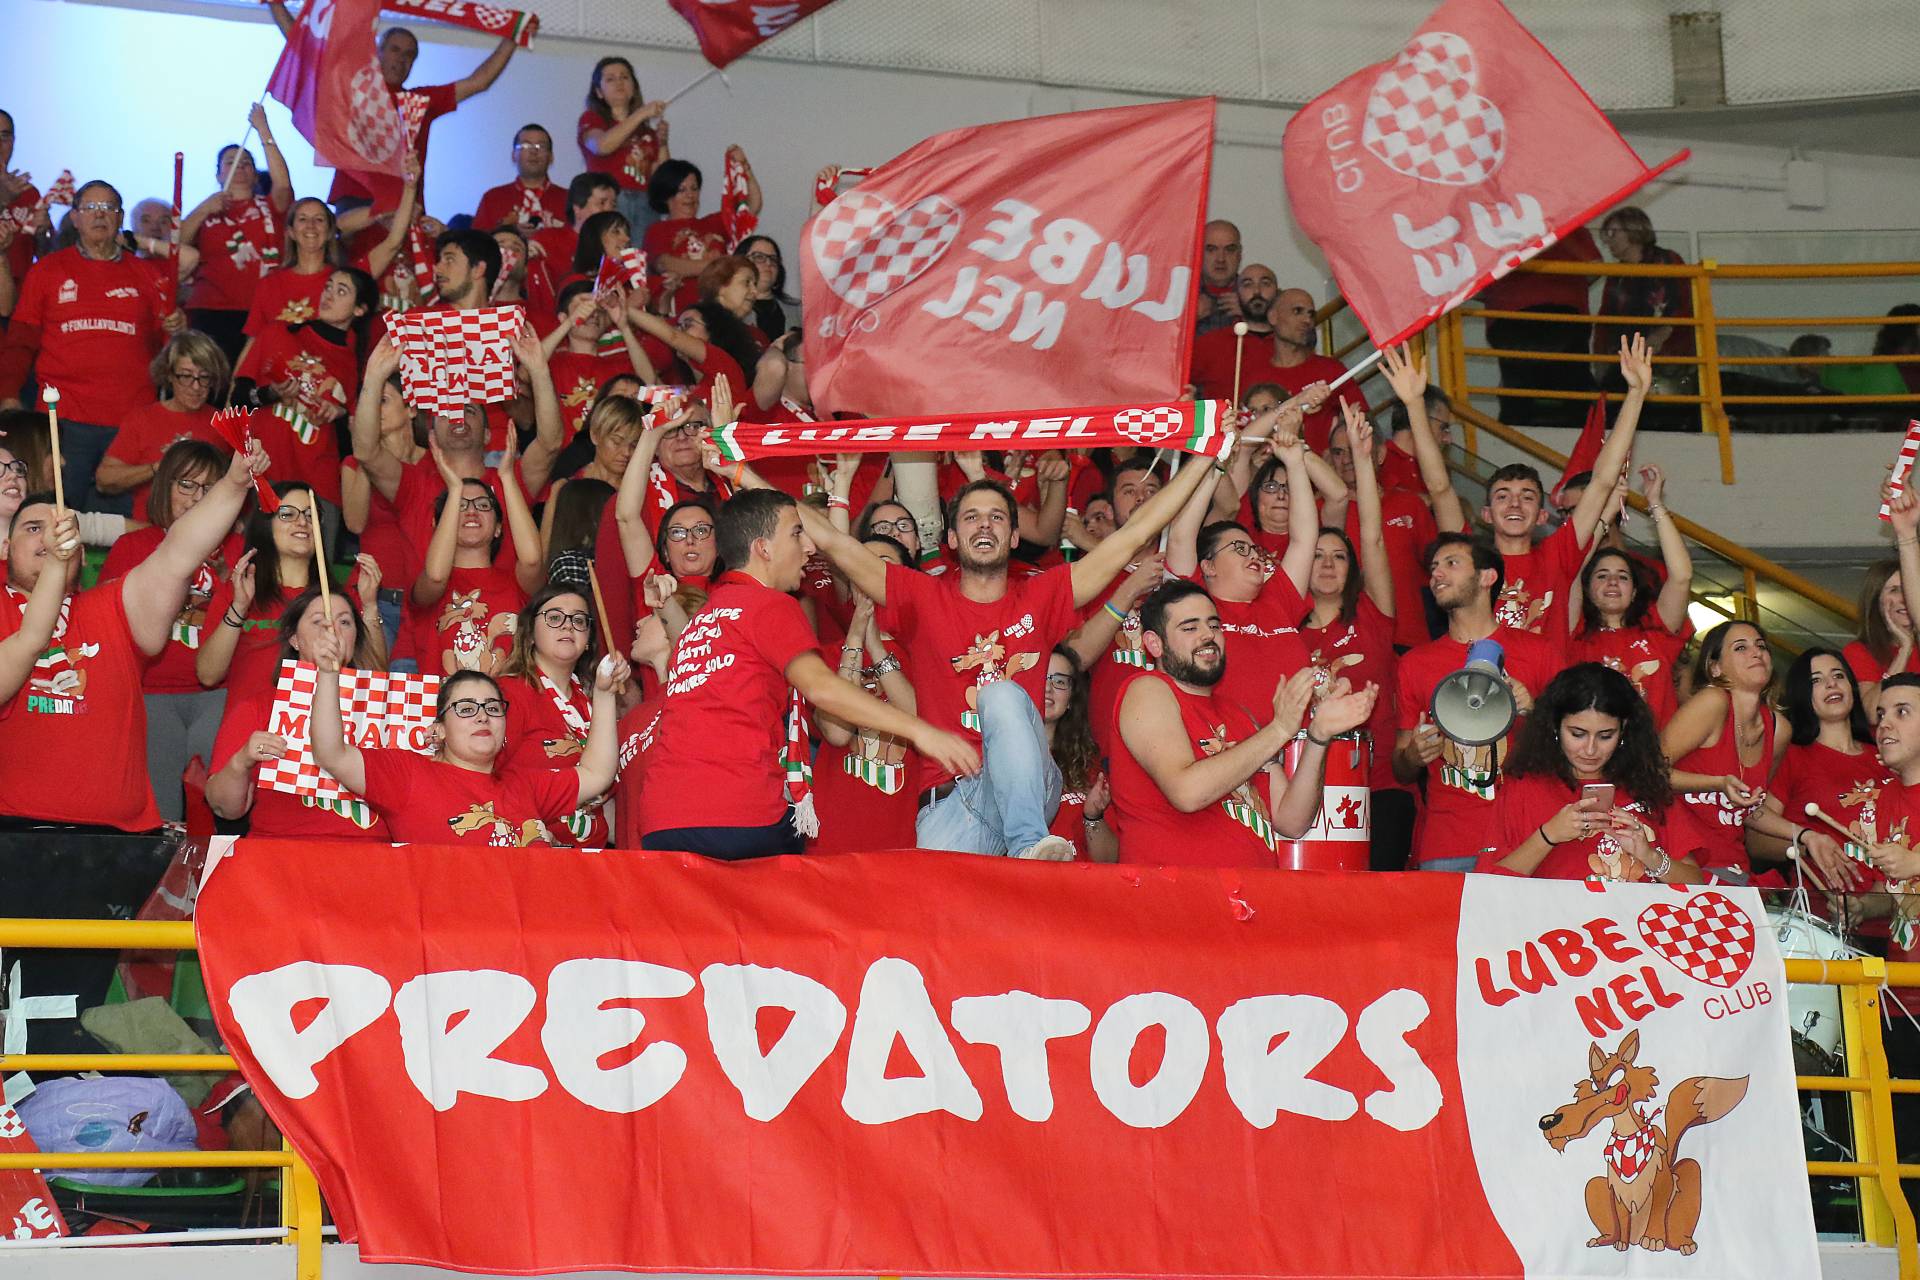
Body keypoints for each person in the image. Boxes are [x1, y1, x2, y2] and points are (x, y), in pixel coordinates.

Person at [747, 394, 1217, 860]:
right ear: (952, 538)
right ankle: (1026, 850)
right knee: (940, 911)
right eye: (971, 518)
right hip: (950, 803)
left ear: (1014, 536)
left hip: (1029, 791)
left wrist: (1204, 455)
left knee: (1000, 694)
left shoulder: (1044, 593)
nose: (985, 525)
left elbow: (1133, 535)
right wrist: (740, 472)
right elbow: (834, 542)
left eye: (997, 517)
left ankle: (1029, 846)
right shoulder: (922, 596)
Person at [641, 487, 979, 858]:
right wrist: (921, 731)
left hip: (662, 820)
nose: (809, 547)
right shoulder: (769, 605)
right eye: (797, 533)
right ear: (763, 548)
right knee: (807, 869)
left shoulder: (708, 615)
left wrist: (666, 607)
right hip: (735, 815)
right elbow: (822, 689)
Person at [0, 441, 268, 830]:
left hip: (118, 838)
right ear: (6, 547)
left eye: (64, 530)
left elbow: (178, 554)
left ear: (82, 552)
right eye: (34, 528)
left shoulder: (112, 606)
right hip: (13, 831)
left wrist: (233, 483)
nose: (51, 538)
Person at [1109, 579, 1377, 866]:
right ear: (1154, 643)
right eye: (1190, 628)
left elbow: (1292, 821)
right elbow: (1187, 793)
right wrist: (1279, 729)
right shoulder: (1147, 689)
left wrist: (1319, 735)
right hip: (1176, 889)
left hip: (1248, 890)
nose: (1208, 635)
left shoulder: (1238, 714)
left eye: (1214, 625)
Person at [312, 626, 623, 847]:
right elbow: (332, 753)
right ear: (440, 729)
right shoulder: (409, 776)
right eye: (465, 708)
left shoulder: (524, 785)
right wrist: (327, 675)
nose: (482, 716)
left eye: (492, 707)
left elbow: (597, 773)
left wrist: (604, 695)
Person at [0, 181, 183, 515]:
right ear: (75, 217)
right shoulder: (47, 270)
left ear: (120, 218)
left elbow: (165, 352)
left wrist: (177, 328)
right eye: (91, 208)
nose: (100, 215)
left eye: (109, 208)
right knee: (57, 513)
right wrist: (10, 393)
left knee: (121, 520)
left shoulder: (148, 274)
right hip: (63, 416)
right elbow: (20, 341)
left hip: (130, 419)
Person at [1392, 533, 1561, 870]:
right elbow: (1401, 768)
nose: (1437, 574)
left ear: (1487, 577)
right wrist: (1413, 755)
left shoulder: (1539, 653)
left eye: (1451, 563)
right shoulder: (1415, 664)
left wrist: (1535, 711)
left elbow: (1576, 748)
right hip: (1448, 841)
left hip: (1525, 838)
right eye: (1434, 567)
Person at [1481, 335, 1652, 645]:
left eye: (1527, 497)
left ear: (1542, 515)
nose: (1515, 504)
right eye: (1503, 496)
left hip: (1551, 678)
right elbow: (1440, 488)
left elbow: (1602, 480)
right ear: (1486, 514)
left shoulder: (1557, 555)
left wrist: (1636, 394)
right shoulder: (1471, 563)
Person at [99, 440, 237, 821]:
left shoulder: (238, 548)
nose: (197, 498)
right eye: (186, 485)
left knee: (220, 814)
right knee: (161, 818)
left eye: (210, 488)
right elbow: (106, 627)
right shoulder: (133, 547)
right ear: (165, 487)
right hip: (152, 692)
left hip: (219, 692)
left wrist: (226, 578)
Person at [263, 10, 518, 213]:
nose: (401, 59)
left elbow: (478, 82)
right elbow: (306, 50)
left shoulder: (418, 101)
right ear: (378, 51)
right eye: (395, 50)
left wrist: (513, 36)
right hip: (355, 200)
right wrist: (277, 6)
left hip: (404, 207)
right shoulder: (351, 88)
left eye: (409, 55)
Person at [1303, 404, 1409, 869]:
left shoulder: (1372, 614)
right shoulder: (1283, 630)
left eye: (1338, 556)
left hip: (1380, 785)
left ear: (1353, 570)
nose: (1328, 564)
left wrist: (1363, 461)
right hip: (1309, 786)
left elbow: (1373, 537)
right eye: (1317, 555)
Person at [1482, 663, 1705, 883]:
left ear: (1624, 729)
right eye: (1577, 734)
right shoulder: (1523, 788)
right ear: (1555, 726)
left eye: (1605, 736)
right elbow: (1487, 885)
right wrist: (1548, 835)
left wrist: (1649, 855)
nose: (1590, 750)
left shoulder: (1645, 784)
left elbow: (1696, 883)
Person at [205, 584, 391, 838]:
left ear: (356, 638)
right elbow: (224, 809)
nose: (332, 631)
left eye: (344, 622)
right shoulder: (258, 707)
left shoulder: (388, 709)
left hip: (372, 854)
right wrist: (241, 762)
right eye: (318, 622)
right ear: (294, 639)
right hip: (281, 851)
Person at [808, 533, 921, 855]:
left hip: (900, 839)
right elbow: (837, 732)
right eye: (860, 565)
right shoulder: (826, 656)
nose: (867, 574)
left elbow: (916, 721)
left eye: (880, 565)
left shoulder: (923, 652)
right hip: (834, 838)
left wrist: (876, 646)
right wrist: (856, 636)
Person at [1745, 647, 1890, 894]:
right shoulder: (1792, 756)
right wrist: (1807, 845)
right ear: (1803, 693)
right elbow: (1756, 841)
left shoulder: (1886, 755)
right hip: (1819, 909)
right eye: (1816, 680)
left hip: (1892, 908)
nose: (1831, 684)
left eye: (1838, 675)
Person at [1660, 620, 1785, 883]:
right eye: (1740, 647)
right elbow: (1648, 773)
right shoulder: (1713, 701)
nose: (1756, 652)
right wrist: (1716, 783)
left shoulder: (1778, 728)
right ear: (1714, 667)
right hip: (1685, 863)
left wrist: (1806, 835)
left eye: (1761, 646)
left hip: (1734, 869)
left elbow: (1748, 809)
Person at [409, 433, 543, 676]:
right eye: (460, 506)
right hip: (444, 699)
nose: (471, 511)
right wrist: (454, 488)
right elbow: (436, 576)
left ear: (499, 528)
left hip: (506, 699)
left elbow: (533, 560)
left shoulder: (515, 583)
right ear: (439, 525)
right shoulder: (430, 584)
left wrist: (507, 477)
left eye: (483, 505)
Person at [1569, 465, 1693, 726]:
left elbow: (1681, 576)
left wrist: (1655, 503)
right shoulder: (1574, 635)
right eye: (1602, 576)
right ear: (1586, 589)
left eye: (1623, 577)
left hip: (1651, 750)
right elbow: (1573, 566)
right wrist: (1606, 515)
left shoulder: (1656, 633)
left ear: (1635, 591)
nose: (1613, 581)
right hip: (1591, 747)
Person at [1187, 267, 1361, 451]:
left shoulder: (1331, 369)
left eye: (1311, 314)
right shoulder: (1254, 375)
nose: (1306, 320)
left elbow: (1361, 420)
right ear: (1273, 316)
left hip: (1317, 464)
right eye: (1297, 311)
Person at [498, 584, 613, 846]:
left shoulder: (592, 703)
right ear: (530, 634)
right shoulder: (509, 693)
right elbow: (489, 779)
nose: (568, 626)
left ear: (588, 641)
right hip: (533, 851)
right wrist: (526, 830)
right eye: (554, 617)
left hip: (592, 857)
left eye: (579, 620)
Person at [177, 107, 294, 362]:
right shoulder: (204, 211)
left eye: (246, 163)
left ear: (255, 174)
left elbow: (283, 185)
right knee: (211, 379)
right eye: (231, 162)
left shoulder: (271, 207)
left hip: (264, 309)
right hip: (211, 312)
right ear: (218, 174)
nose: (240, 166)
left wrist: (263, 129)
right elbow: (175, 247)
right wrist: (203, 209)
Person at [95, 331, 230, 520]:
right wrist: (159, 467)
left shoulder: (223, 423)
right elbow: (104, 480)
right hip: (150, 527)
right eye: (186, 376)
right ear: (169, 375)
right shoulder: (143, 419)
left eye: (204, 377)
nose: (196, 387)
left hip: (207, 527)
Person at [1477, 226, 1600, 428]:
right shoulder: (1567, 222)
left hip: (1509, 314)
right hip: (1565, 313)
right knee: (1573, 384)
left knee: (1518, 386)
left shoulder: (1492, 226)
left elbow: (1470, 283)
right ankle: (1582, 424)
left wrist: (1499, 293)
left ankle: (1513, 428)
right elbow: (1594, 265)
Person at [642, 155, 760, 314]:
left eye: (694, 188)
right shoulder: (657, 230)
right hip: (683, 313)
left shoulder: (714, 223)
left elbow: (752, 206)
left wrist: (745, 169)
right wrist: (720, 268)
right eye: (682, 190)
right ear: (666, 196)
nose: (690, 195)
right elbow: (664, 264)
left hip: (721, 310)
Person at [1594, 207, 1694, 391]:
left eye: (1613, 232)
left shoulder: (1668, 260)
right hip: (1625, 362)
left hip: (1667, 360)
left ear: (1634, 229)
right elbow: (1605, 319)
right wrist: (1600, 360)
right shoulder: (1616, 275)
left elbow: (1683, 303)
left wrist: (1660, 337)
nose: (1608, 241)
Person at [577, 57, 670, 232]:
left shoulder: (647, 132)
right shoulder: (592, 119)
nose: (619, 82)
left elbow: (662, 181)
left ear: (633, 87)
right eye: (610, 79)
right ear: (599, 92)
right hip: (610, 201)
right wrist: (641, 114)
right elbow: (601, 146)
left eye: (625, 77)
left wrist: (663, 144)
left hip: (646, 205)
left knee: (643, 250)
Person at [1042, 647, 1116, 862]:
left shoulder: (1086, 762)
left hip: (1079, 879)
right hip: (1018, 879)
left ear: (1071, 700)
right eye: (1040, 677)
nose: (1047, 688)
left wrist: (1093, 816)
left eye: (1059, 681)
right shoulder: (996, 757)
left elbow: (1108, 860)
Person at [243, 198, 340, 340]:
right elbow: (254, 341)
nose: (310, 225)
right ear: (291, 232)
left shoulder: (343, 283)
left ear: (330, 231)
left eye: (319, 219)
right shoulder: (269, 284)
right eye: (302, 219)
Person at [474, 124, 570, 233]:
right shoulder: (492, 198)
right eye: (525, 145)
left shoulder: (569, 200)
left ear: (551, 157)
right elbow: (476, 241)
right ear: (513, 155)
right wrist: (510, 231)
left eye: (541, 146)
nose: (533, 152)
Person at [737, 235, 793, 342]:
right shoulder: (727, 309)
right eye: (758, 257)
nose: (768, 263)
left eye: (773, 259)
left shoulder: (798, 310)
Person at [1194, 219, 1242, 334]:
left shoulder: (1260, 296)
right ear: (1198, 252)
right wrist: (1186, 318)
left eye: (1229, 250)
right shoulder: (1179, 296)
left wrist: (1254, 316)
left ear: (1239, 255)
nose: (1221, 259)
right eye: (1211, 250)